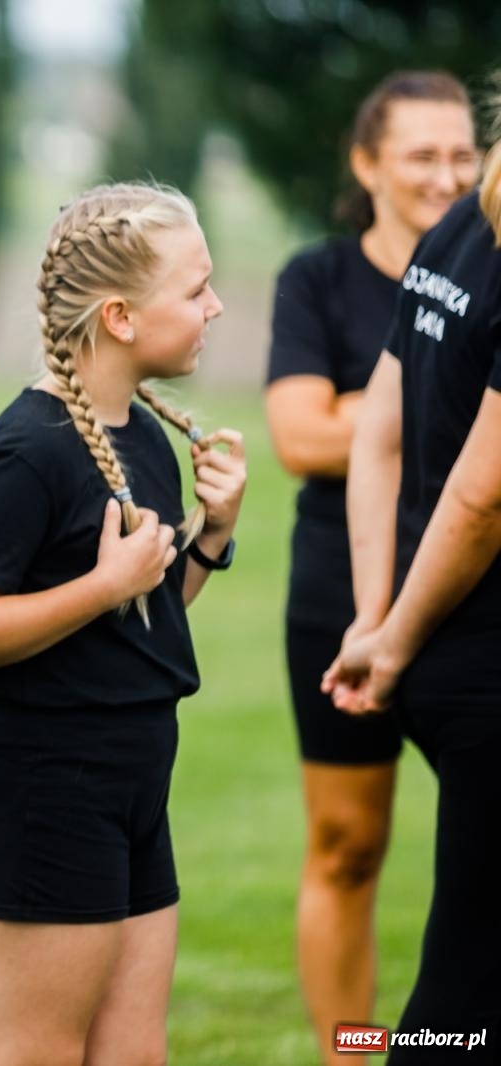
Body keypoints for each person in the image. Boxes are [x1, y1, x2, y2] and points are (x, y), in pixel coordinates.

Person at [0, 183, 246, 1066]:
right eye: (195, 289)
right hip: (47, 788)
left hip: (134, 777)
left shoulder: (139, 433)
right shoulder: (24, 452)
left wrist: (210, 536)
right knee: (41, 1054)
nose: (214, 306)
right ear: (120, 317)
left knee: (135, 1053)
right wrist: (100, 587)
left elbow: (144, 619)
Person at [263, 71, 477, 1061]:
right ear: (366, 164)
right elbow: (300, 435)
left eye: (460, 151)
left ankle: (439, 1035)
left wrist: (398, 399)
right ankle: (350, 1050)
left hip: (465, 603)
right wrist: (455, 396)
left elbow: (341, 416)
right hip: (339, 590)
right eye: (420, 155)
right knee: (347, 849)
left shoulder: (471, 252)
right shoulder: (318, 276)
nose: (446, 172)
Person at [324, 118, 501, 1060]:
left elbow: (378, 432)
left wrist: (375, 613)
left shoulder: (458, 226)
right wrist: (386, 643)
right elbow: (481, 498)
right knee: (464, 990)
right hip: (481, 666)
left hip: (435, 653)